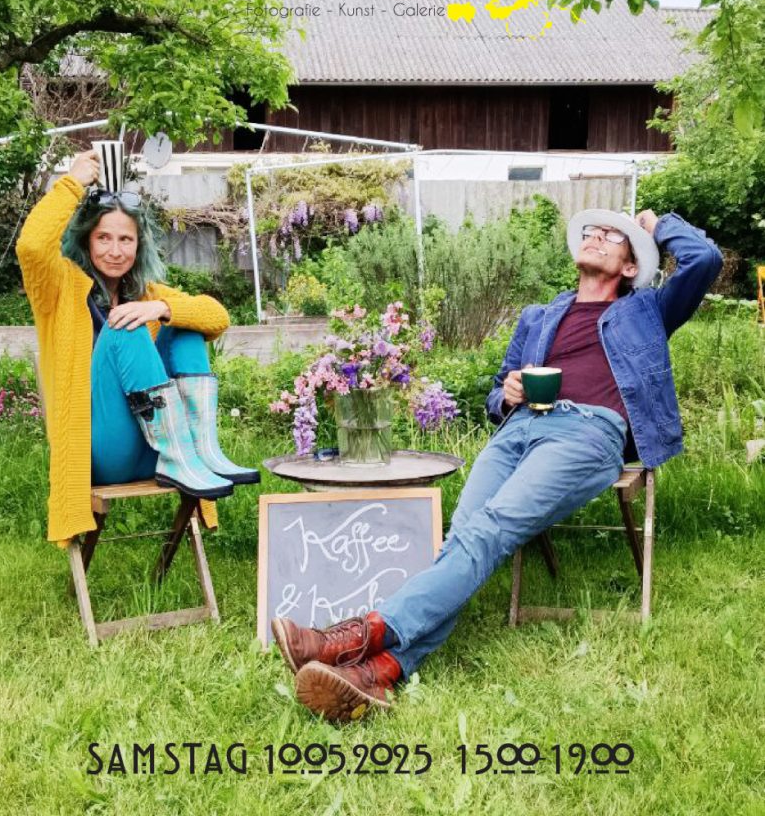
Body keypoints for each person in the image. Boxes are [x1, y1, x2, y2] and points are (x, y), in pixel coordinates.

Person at [271, 207, 723, 722]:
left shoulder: (648, 310)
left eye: (613, 236)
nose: (597, 236)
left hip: (587, 433)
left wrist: (656, 225)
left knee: (485, 532)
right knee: (465, 538)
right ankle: (379, 673)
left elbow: (704, 259)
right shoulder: (539, 316)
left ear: (630, 266)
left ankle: (350, 639)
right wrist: (506, 394)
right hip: (518, 430)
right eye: (592, 231)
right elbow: (496, 392)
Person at [15, 149, 258, 548]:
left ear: (138, 245)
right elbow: (31, 247)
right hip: (101, 453)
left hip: (161, 451)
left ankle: (201, 449)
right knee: (123, 326)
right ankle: (185, 453)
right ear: (86, 240)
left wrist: (161, 308)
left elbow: (217, 316)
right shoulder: (59, 288)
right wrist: (72, 183)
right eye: (104, 238)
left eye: (125, 239)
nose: (115, 251)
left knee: (184, 326)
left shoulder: (144, 293)